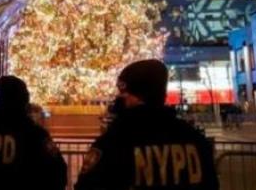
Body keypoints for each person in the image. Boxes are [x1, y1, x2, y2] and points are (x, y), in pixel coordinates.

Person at [75, 59, 219, 190]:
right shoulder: (194, 138)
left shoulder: (116, 140)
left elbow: (87, 185)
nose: (119, 99)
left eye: (124, 94)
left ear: (138, 96)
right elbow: (211, 184)